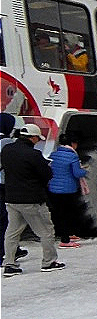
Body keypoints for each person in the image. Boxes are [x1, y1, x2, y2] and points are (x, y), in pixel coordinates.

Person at [2, 124, 65, 276]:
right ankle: (49, 262)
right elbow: (47, 174)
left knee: (12, 232)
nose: (37, 141)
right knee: (46, 231)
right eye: (37, 138)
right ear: (32, 137)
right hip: (31, 200)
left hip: (11, 199)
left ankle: (9, 264)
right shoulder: (33, 154)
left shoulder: (7, 150)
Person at [47, 133, 87, 248]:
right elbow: (77, 173)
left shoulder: (54, 154)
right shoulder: (72, 156)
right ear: (73, 144)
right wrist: (86, 170)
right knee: (67, 214)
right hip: (67, 190)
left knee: (59, 213)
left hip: (54, 189)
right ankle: (65, 240)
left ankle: (65, 234)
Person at [0, 113, 29, 264]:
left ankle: (14, 249)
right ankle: (4, 253)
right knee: (5, 219)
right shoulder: (6, 142)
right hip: (3, 185)